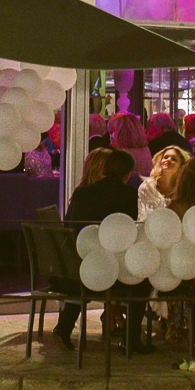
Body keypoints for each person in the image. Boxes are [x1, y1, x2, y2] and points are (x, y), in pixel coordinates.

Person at [54, 148, 152, 353]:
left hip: (69, 269)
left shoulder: (82, 192)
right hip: (97, 271)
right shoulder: (125, 194)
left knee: (88, 266)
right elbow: (125, 231)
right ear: (127, 173)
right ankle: (131, 339)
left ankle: (64, 327)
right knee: (141, 281)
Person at [138, 146, 189, 219]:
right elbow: (149, 215)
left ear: (181, 166)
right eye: (165, 157)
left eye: (173, 159)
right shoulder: (147, 187)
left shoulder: (183, 188)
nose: (168, 160)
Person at [108, 112, 153, 177]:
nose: (111, 136)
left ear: (122, 132)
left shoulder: (123, 155)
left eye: (113, 132)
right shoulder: (146, 150)